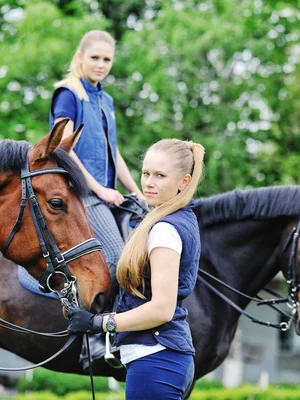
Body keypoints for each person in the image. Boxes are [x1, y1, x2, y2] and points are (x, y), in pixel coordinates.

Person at [64, 139, 206, 400]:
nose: (149, 182)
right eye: (146, 173)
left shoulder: (165, 229)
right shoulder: (177, 217)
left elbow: (162, 309)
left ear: (184, 182)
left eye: (160, 176)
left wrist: (99, 322)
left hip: (156, 361)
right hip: (163, 360)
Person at [49, 30, 145, 285]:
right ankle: (97, 324)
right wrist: (100, 190)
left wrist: (137, 193)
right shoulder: (68, 94)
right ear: (80, 57)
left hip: (107, 195)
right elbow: (62, 148)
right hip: (80, 193)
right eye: (95, 58)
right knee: (117, 258)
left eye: (107, 59)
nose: (101, 65)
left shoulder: (106, 100)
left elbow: (113, 152)